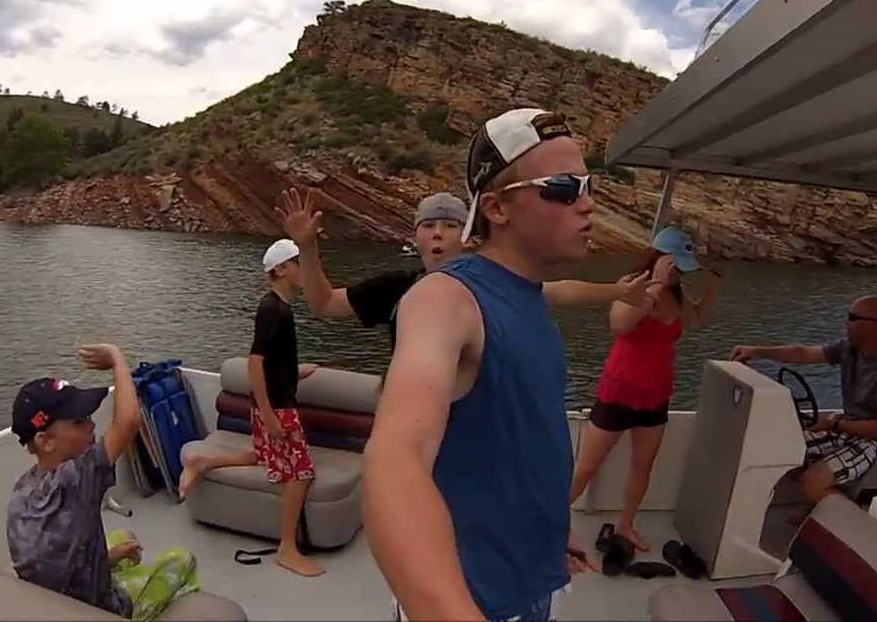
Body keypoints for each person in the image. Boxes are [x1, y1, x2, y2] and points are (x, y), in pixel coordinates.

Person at [363, 108, 599, 622]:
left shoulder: (529, 298)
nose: (586, 204)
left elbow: (519, 438)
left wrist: (548, 531)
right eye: (562, 187)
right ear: (496, 208)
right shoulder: (445, 299)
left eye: (587, 184)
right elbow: (396, 459)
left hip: (535, 575)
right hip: (476, 600)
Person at [276, 190, 656, 351]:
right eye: (428, 226)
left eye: (450, 225)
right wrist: (308, 248)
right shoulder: (396, 288)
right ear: (417, 236)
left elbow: (557, 290)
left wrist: (616, 292)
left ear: (468, 236)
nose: (438, 233)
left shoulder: (491, 280)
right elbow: (324, 303)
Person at [6, 344, 200, 620]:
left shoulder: (21, 490)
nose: (91, 425)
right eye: (79, 421)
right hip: (98, 610)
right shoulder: (78, 478)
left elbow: (61, 564)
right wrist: (117, 360)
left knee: (123, 539)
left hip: (51, 605)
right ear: (45, 440)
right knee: (182, 559)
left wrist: (112, 557)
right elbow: (129, 421)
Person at [568, 226, 721, 552]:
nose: (680, 272)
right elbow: (619, 324)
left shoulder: (677, 295)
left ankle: (626, 525)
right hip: (619, 391)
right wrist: (655, 286)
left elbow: (696, 322)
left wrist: (710, 290)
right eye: (676, 264)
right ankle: (550, 526)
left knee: (643, 465)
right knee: (586, 466)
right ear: (660, 258)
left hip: (656, 394)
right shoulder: (634, 285)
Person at [177, 239, 322, 576]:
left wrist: (294, 370)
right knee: (300, 474)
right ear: (281, 269)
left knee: (262, 455)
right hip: (278, 407)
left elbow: (270, 360)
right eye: (298, 262)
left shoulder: (277, 306)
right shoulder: (275, 310)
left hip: (268, 403)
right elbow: (254, 363)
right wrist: (271, 416)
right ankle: (287, 548)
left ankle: (202, 461)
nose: (304, 268)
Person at [729, 296, 877, 509]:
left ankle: (850, 527)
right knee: (781, 451)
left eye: (853, 318)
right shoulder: (848, 348)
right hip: (849, 427)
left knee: (812, 481)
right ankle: (821, 510)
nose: (846, 323)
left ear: (876, 325)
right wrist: (757, 351)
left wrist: (833, 424)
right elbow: (804, 353)